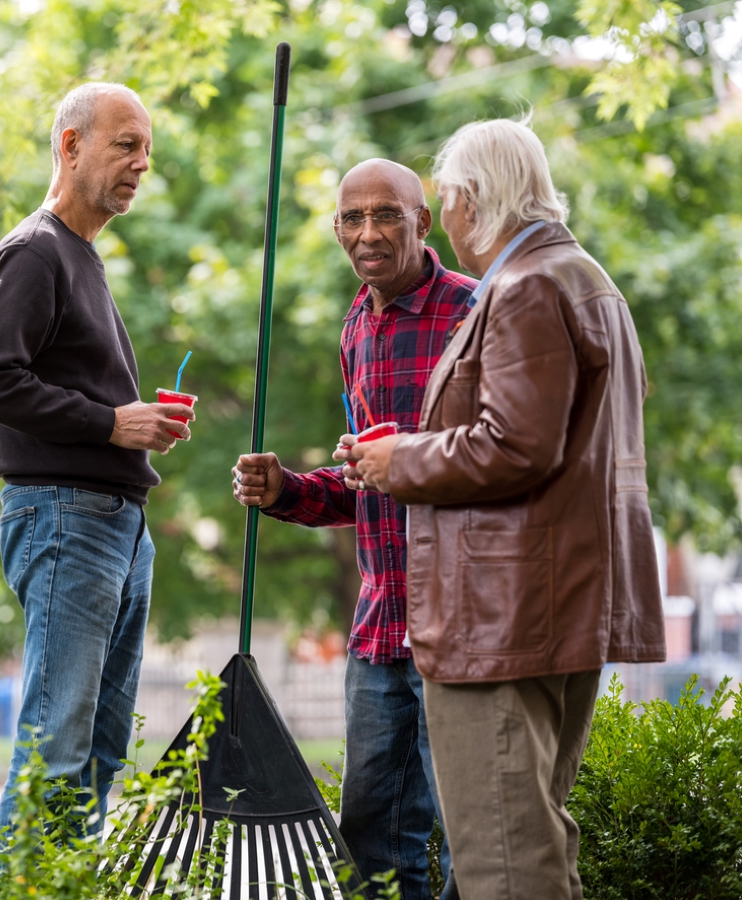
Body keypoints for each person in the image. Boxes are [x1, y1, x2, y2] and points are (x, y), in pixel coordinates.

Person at [345, 119, 666, 900]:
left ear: (471, 200)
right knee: (533, 837)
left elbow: (517, 447)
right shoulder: (585, 279)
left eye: (447, 198)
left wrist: (400, 459)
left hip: (504, 614)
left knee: (503, 860)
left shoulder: (527, 288)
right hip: (553, 602)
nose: (449, 219)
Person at [232, 158, 473, 900]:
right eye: (352, 218)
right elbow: (367, 482)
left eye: (387, 215)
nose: (367, 233)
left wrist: (404, 459)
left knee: (475, 833)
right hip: (378, 627)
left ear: (423, 223)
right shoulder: (353, 328)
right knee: (370, 832)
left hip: (457, 620)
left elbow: (498, 458)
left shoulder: (476, 310)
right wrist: (288, 492)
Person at [0, 82, 195, 845]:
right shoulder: (35, 252)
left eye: (146, 150)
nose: (141, 163)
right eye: (126, 144)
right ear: (70, 145)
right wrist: (109, 422)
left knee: (96, 756)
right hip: (66, 518)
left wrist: (136, 426)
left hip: (119, 528)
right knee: (57, 753)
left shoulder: (81, 258)